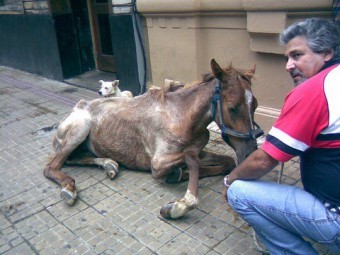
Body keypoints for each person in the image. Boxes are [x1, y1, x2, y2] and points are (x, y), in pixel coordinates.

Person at [223, 18, 340, 254]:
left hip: (335, 218)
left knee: (239, 193)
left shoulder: (314, 90)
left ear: (326, 53)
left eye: (297, 55)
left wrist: (229, 180)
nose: (288, 65)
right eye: (287, 58)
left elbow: (264, 160)